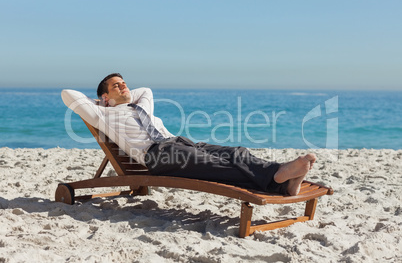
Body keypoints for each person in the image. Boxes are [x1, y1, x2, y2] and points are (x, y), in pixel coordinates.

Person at [61, 73, 316, 196]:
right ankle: (278, 177)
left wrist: (122, 94)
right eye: (117, 85)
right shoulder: (103, 115)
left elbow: (145, 89)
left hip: (178, 142)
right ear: (105, 96)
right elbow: (68, 94)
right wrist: (101, 104)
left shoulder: (140, 105)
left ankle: (282, 177)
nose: (124, 86)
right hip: (158, 155)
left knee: (235, 152)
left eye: (124, 82)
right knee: (217, 165)